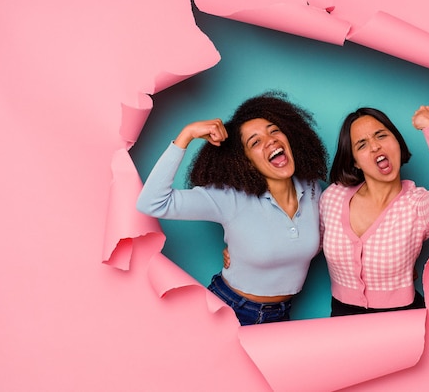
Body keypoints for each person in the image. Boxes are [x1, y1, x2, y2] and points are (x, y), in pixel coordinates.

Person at [136, 91, 328, 325]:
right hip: (231, 309)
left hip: (281, 314)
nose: (271, 140)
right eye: (255, 142)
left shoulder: (311, 188)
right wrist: (186, 136)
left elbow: (316, 237)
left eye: (274, 130)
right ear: (246, 160)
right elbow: (152, 203)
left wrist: (243, 251)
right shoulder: (229, 198)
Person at [319, 105, 429, 317]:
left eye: (381, 136)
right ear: (355, 162)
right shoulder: (333, 197)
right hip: (342, 316)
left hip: (402, 319)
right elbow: (312, 241)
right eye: (362, 144)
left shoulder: (416, 205)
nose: (374, 147)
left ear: (397, 142)